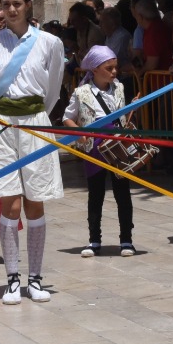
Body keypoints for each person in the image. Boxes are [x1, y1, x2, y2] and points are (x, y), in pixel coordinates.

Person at [0, 0, 66, 304]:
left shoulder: (50, 42)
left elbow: (53, 88)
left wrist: (35, 117)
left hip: (35, 123)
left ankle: (36, 278)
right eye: (6, 4)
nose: (11, 10)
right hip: (1, 125)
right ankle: (12, 278)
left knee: (35, 201)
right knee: (10, 204)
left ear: (28, 4)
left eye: (17, 3)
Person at [64, 46, 136, 259]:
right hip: (94, 145)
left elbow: (122, 116)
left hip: (118, 145)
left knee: (123, 193)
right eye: (109, 68)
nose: (114, 72)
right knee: (96, 194)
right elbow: (67, 117)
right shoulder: (81, 92)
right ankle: (94, 239)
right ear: (94, 69)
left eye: (115, 67)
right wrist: (79, 133)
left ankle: (126, 239)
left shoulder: (119, 87)